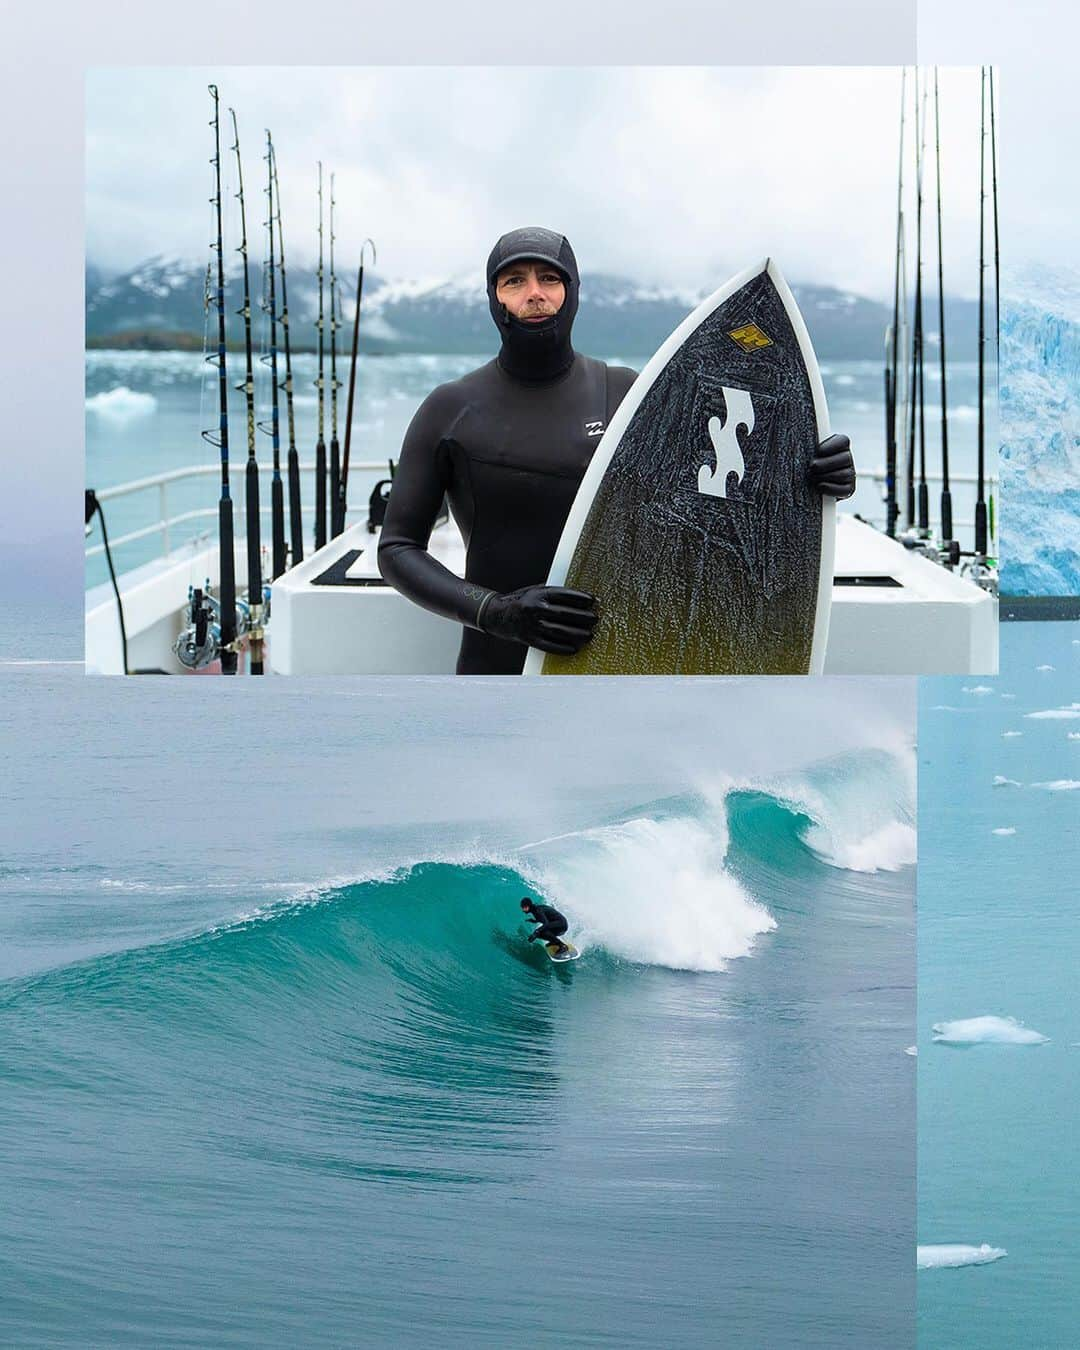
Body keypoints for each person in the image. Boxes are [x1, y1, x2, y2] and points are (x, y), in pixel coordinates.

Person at [378, 226, 856, 675]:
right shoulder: (452, 407)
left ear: (573, 293)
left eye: (550, 278)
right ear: (493, 297)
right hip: (494, 661)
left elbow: (725, 491)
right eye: (513, 281)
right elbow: (397, 549)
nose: (534, 293)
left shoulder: (626, 394)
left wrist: (812, 476)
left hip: (614, 664)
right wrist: (495, 612)